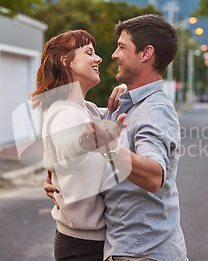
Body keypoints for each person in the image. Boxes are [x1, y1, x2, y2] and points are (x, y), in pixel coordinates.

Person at [45, 14, 189, 261]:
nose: (111, 55)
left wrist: (110, 147)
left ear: (146, 54)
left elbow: (155, 176)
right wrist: (58, 175)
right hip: (123, 248)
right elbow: (72, 137)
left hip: (143, 252)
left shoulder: (153, 110)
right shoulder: (122, 106)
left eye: (122, 47)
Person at [32, 29, 127, 261]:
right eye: (89, 52)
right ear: (67, 62)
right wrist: (83, 142)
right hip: (81, 247)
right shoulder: (63, 112)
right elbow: (67, 145)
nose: (99, 59)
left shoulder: (88, 109)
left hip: (94, 242)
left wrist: (128, 90)